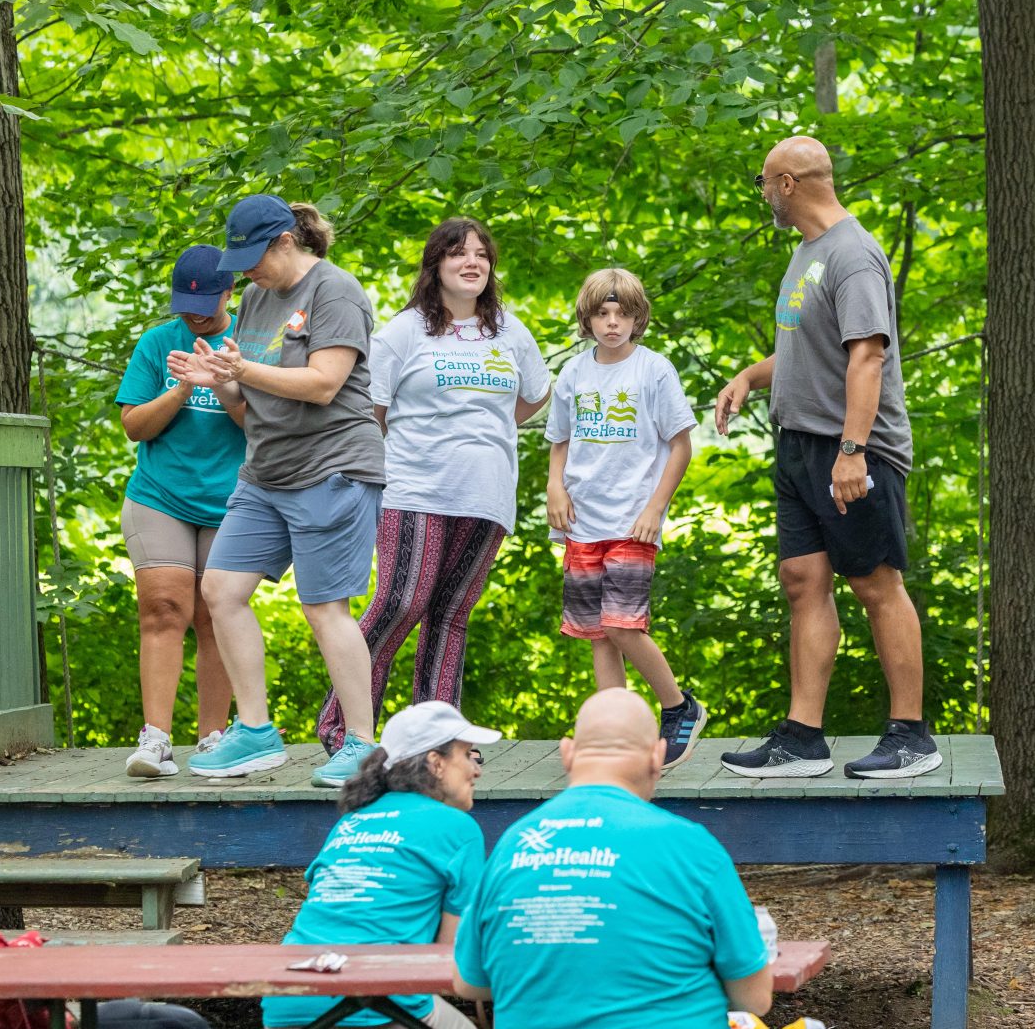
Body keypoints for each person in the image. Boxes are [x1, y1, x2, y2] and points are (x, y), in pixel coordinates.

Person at [453, 688, 841, 1029]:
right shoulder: (689, 845)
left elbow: (470, 984)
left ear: (568, 753)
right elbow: (755, 999)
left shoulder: (513, 846)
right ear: (659, 756)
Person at [713, 135, 931, 780]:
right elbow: (816, 349)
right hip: (798, 444)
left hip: (853, 451)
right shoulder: (808, 254)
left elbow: (868, 355)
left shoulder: (854, 255)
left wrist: (853, 452)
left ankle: (912, 736)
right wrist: (751, 377)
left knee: (875, 582)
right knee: (803, 582)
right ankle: (802, 738)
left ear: (787, 184)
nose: (762, 194)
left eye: (762, 181)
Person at [313, 217, 549, 770]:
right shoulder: (404, 332)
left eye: (481, 255)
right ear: (435, 266)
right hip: (414, 486)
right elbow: (368, 410)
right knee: (402, 602)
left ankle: (435, 740)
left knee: (451, 613)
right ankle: (345, 729)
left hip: (487, 494)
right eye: (457, 253)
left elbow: (533, 396)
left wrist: (482, 436)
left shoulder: (510, 332)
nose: (472, 262)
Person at [174, 194, 387, 787]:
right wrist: (217, 379)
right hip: (265, 470)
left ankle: (363, 744)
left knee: (324, 607)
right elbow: (246, 406)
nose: (243, 272)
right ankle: (256, 733)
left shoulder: (334, 292)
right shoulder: (255, 298)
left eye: (252, 257)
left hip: (333, 466)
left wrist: (240, 371)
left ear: (285, 241)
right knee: (220, 590)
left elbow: (323, 384)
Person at [261, 700, 500, 1029]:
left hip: (285, 1014)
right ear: (435, 761)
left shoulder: (353, 821)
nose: (477, 769)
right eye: (470, 754)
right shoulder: (456, 827)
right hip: (369, 1023)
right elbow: (448, 960)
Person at [545, 268, 702, 768]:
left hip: (633, 518)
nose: (612, 323)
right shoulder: (573, 373)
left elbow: (681, 445)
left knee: (622, 624)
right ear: (586, 319)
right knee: (597, 631)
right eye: (602, 313)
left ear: (638, 319)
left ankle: (680, 708)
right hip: (582, 520)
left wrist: (655, 508)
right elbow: (560, 441)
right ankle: (616, 732)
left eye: (622, 314)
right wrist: (555, 487)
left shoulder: (653, 370)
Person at [114, 247, 246, 778]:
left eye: (206, 302)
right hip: (160, 496)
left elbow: (266, 427)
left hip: (232, 500)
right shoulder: (156, 343)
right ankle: (156, 739)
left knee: (216, 615)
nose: (194, 313)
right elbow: (134, 426)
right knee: (165, 608)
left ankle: (213, 737)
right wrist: (185, 386)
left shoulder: (251, 342)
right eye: (184, 303)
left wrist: (223, 381)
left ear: (229, 294)